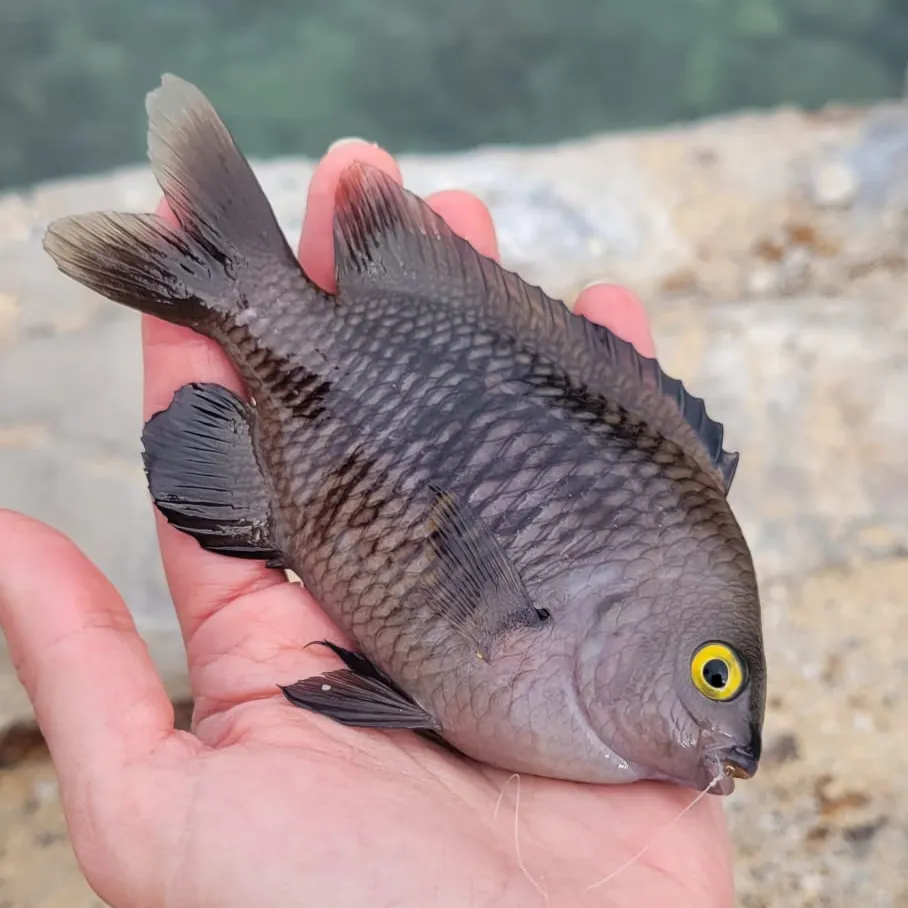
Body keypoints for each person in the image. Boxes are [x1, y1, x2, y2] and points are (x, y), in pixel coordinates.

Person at [0, 139, 735, 908]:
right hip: (339, 436)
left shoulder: (602, 733)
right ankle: (230, 279)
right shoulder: (566, 678)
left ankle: (220, 273)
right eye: (713, 674)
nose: (731, 738)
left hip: (316, 483)